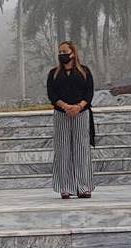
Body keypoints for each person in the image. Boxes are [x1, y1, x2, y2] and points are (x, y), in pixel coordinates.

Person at [47, 40, 96, 199]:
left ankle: (84, 186)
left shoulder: (84, 72)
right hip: (62, 114)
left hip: (81, 114)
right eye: (60, 52)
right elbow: (52, 95)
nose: (62, 55)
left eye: (65, 52)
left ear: (73, 53)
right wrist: (65, 107)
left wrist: (78, 107)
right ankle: (65, 187)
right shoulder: (54, 73)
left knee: (81, 150)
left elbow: (89, 93)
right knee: (63, 151)